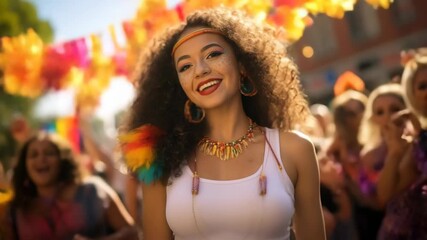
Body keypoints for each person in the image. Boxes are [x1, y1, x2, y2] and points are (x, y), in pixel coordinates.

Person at [119, 6, 325, 240]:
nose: (201, 70)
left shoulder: (295, 150)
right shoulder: (161, 160)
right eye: (185, 66)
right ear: (179, 86)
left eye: (213, 54)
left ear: (242, 65)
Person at [0, 132, 138, 240]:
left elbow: (133, 233)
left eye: (49, 153)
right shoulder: (15, 209)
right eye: (33, 155)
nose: (41, 159)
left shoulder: (93, 191)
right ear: (24, 165)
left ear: (63, 160)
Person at [376, 49, 427, 239]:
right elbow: (385, 196)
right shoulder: (420, 142)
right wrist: (395, 152)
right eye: (423, 86)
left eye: (393, 109)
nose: (387, 116)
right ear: (413, 95)